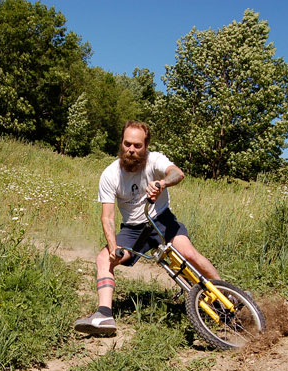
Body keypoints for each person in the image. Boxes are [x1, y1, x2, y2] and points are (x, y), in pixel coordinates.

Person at [74, 120, 221, 335]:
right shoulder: (109, 174)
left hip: (161, 221)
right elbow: (107, 217)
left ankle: (228, 295)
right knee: (104, 259)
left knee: (189, 254)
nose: (131, 150)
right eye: (127, 144)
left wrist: (162, 184)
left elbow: (177, 173)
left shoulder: (155, 161)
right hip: (133, 231)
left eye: (137, 145)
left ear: (146, 146)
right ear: (121, 143)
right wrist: (114, 247)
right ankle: (104, 315)